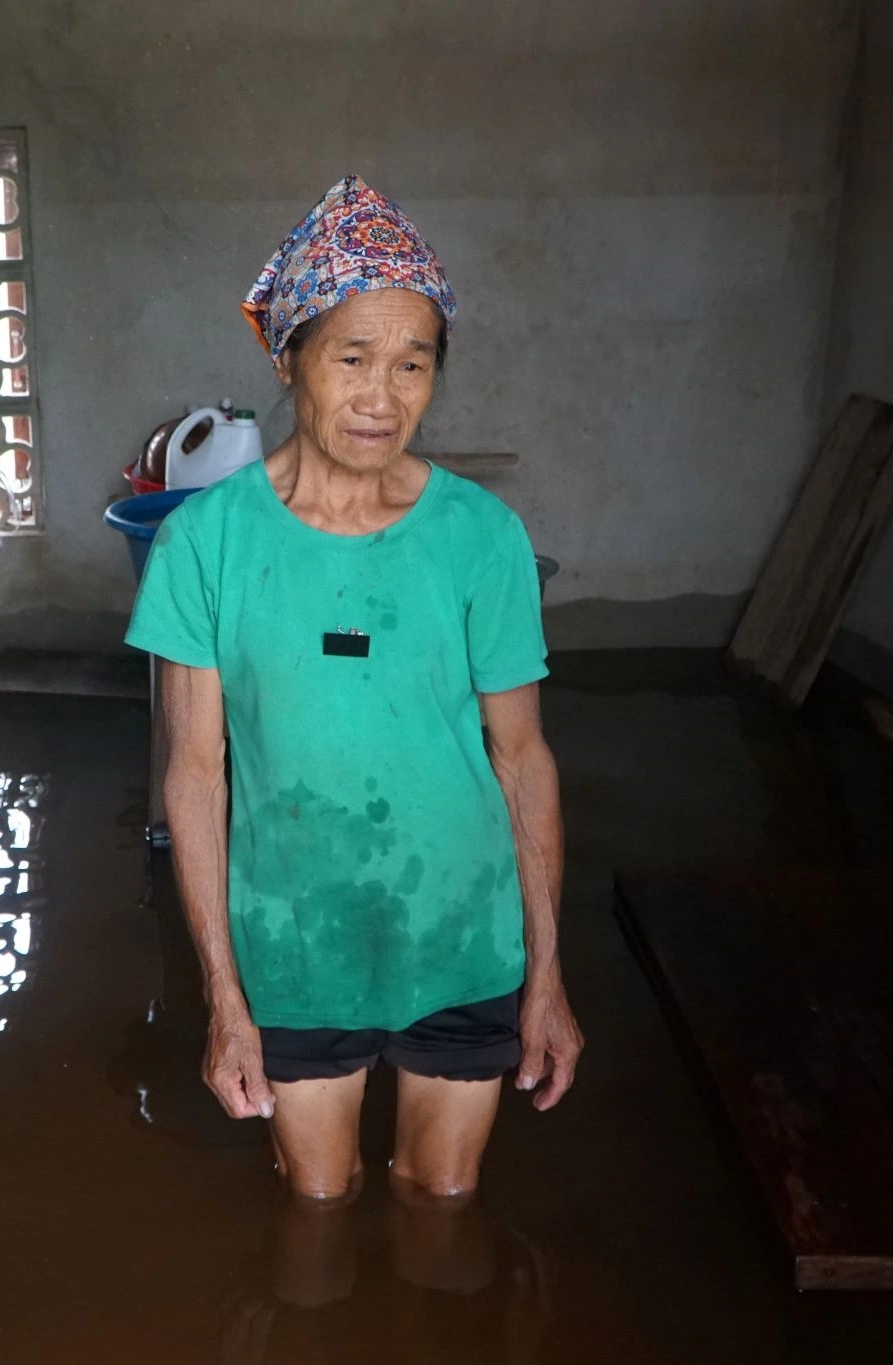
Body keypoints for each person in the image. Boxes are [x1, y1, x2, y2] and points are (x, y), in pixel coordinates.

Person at [125, 175, 581, 1204]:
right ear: (290, 360)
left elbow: (521, 757)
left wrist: (545, 975)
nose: (384, 397)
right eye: (353, 357)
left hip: (462, 935)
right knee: (316, 1209)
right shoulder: (208, 541)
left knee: (440, 1203)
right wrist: (223, 998)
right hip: (290, 944)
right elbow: (195, 776)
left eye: (413, 363)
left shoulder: (478, 537)